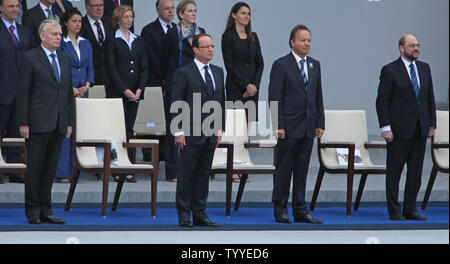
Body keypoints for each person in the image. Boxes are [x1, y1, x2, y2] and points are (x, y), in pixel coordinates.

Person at [16, 18, 73, 225]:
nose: (59, 37)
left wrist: (69, 122)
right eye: (54, 34)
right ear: (42, 36)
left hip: (58, 122)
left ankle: (46, 209)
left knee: (50, 169)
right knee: (35, 169)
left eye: (60, 34)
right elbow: (23, 93)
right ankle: (32, 209)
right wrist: (23, 122)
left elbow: (67, 94)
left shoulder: (65, 59)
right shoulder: (30, 58)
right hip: (37, 122)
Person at [376, 34, 436, 221]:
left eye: (417, 45)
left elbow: (429, 99)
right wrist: (386, 127)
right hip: (399, 130)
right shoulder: (390, 70)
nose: (416, 48)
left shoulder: (424, 69)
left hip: (420, 129)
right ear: (401, 48)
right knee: (394, 172)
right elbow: (382, 101)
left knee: (416, 173)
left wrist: (432, 123)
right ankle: (394, 210)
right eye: (412, 46)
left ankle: (410, 209)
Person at [268, 25, 325, 224]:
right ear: (292, 42)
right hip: (288, 127)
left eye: (309, 40)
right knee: (284, 169)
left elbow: (318, 96)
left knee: (302, 170)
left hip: (308, 126)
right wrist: (278, 125)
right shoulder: (281, 65)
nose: (307, 44)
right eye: (303, 40)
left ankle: (300, 209)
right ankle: (280, 208)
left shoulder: (315, 65)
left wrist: (320, 122)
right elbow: (274, 98)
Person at [172, 33, 225, 227]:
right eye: (206, 46)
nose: (211, 49)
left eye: (212, 46)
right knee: (187, 173)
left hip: (210, 132)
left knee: (203, 174)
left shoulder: (218, 72)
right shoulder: (184, 72)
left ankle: (200, 213)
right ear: (195, 50)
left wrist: (220, 127)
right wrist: (178, 131)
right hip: (190, 131)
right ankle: (184, 213)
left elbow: (220, 101)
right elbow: (177, 102)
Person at [161, 0, 205, 182]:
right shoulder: (172, 33)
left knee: (195, 127)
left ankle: (193, 169)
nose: (193, 14)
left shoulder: (201, 33)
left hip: (196, 84)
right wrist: (166, 83)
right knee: (175, 128)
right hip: (177, 83)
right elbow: (164, 59)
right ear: (181, 14)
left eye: (195, 11)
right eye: (189, 11)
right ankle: (173, 171)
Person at [222, 2, 264, 183]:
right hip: (235, 87)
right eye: (243, 13)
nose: (247, 16)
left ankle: (243, 165)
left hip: (252, 90)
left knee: (246, 131)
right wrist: (245, 85)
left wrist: (254, 85)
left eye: (248, 13)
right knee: (234, 130)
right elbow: (229, 65)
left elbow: (260, 63)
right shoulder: (228, 37)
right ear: (234, 16)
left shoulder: (254, 37)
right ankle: (233, 168)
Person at [106, 4, 147, 183]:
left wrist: (139, 89)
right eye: (126, 17)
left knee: (129, 129)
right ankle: (116, 166)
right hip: (118, 91)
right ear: (118, 19)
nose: (129, 20)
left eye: (131, 17)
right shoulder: (112, 39)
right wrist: (125, 89)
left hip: (135, 92)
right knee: (116, 129)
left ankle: (128, 165)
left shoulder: (138, 40)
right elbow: (111, 67)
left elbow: (145, 67)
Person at [54, 7, 94, 183]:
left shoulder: (86, 43)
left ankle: (76, 170)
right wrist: (70, 88)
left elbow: (90, 67)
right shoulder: (61, 42)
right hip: (66, 92)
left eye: (79, 21)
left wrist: (86, 85)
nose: (78, 24)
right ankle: (62, 172)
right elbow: (59, 68)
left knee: (80, 131)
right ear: (66, 23)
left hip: (83, 93)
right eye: (74, 21)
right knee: (65, 131)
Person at [0, 0, 34, 184]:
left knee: (15, 133)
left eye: (17, 6)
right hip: (2, 90)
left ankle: (13, 169)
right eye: (11, 6)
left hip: (21, 92)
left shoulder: (25, 32)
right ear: (1, 8)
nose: (15, 9)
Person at [139, 0, 176, 166]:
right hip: (155, 80)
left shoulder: (177, 29)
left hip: (172, 81)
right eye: (166, 8)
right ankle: (149, 153)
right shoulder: (148, 30)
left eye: (172, 8)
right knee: (153, 118)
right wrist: (162, 77)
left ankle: (167, 153)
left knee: (170, 118)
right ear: (158, 11)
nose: (170, 11)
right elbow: (151, 56)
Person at [80, 0, 113, 87]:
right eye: (95, 6)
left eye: (101, 5)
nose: (99, 8)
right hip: (89, 78)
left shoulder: (110, 23)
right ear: (87, 7)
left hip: (109, 78)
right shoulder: (80, 24)